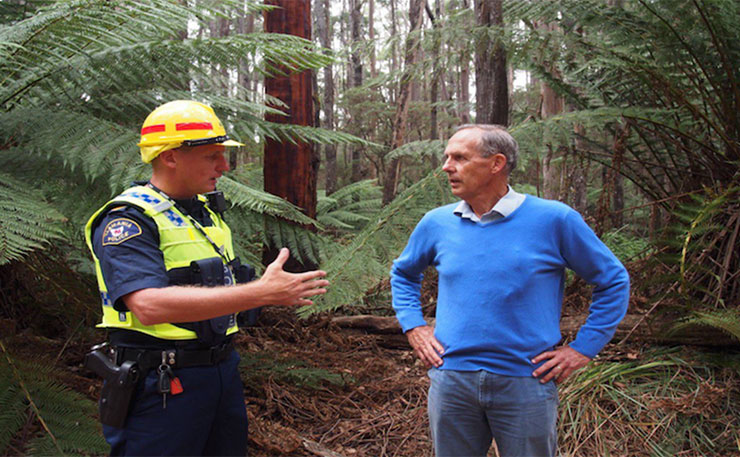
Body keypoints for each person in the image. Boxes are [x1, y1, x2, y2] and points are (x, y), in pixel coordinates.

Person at [84, 100, 329, 456]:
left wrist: (264, 291)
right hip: (161, 384)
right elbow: (148, 305)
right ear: (170, 156)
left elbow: (224, 286)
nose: (224, 166)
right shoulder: (128, 221)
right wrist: (260, 293)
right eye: (212, 155)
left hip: (220, 373)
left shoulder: (206, 215)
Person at [390, 124, 629, 457]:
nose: (447, 166)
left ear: (496, 163)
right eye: (447, 157)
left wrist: (583, 349)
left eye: (459, 157)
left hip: (526, 381)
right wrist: (414, 326)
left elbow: (613, 280)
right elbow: (403, 273)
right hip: (452, 379)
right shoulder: (436, 223)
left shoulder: (554, 219)